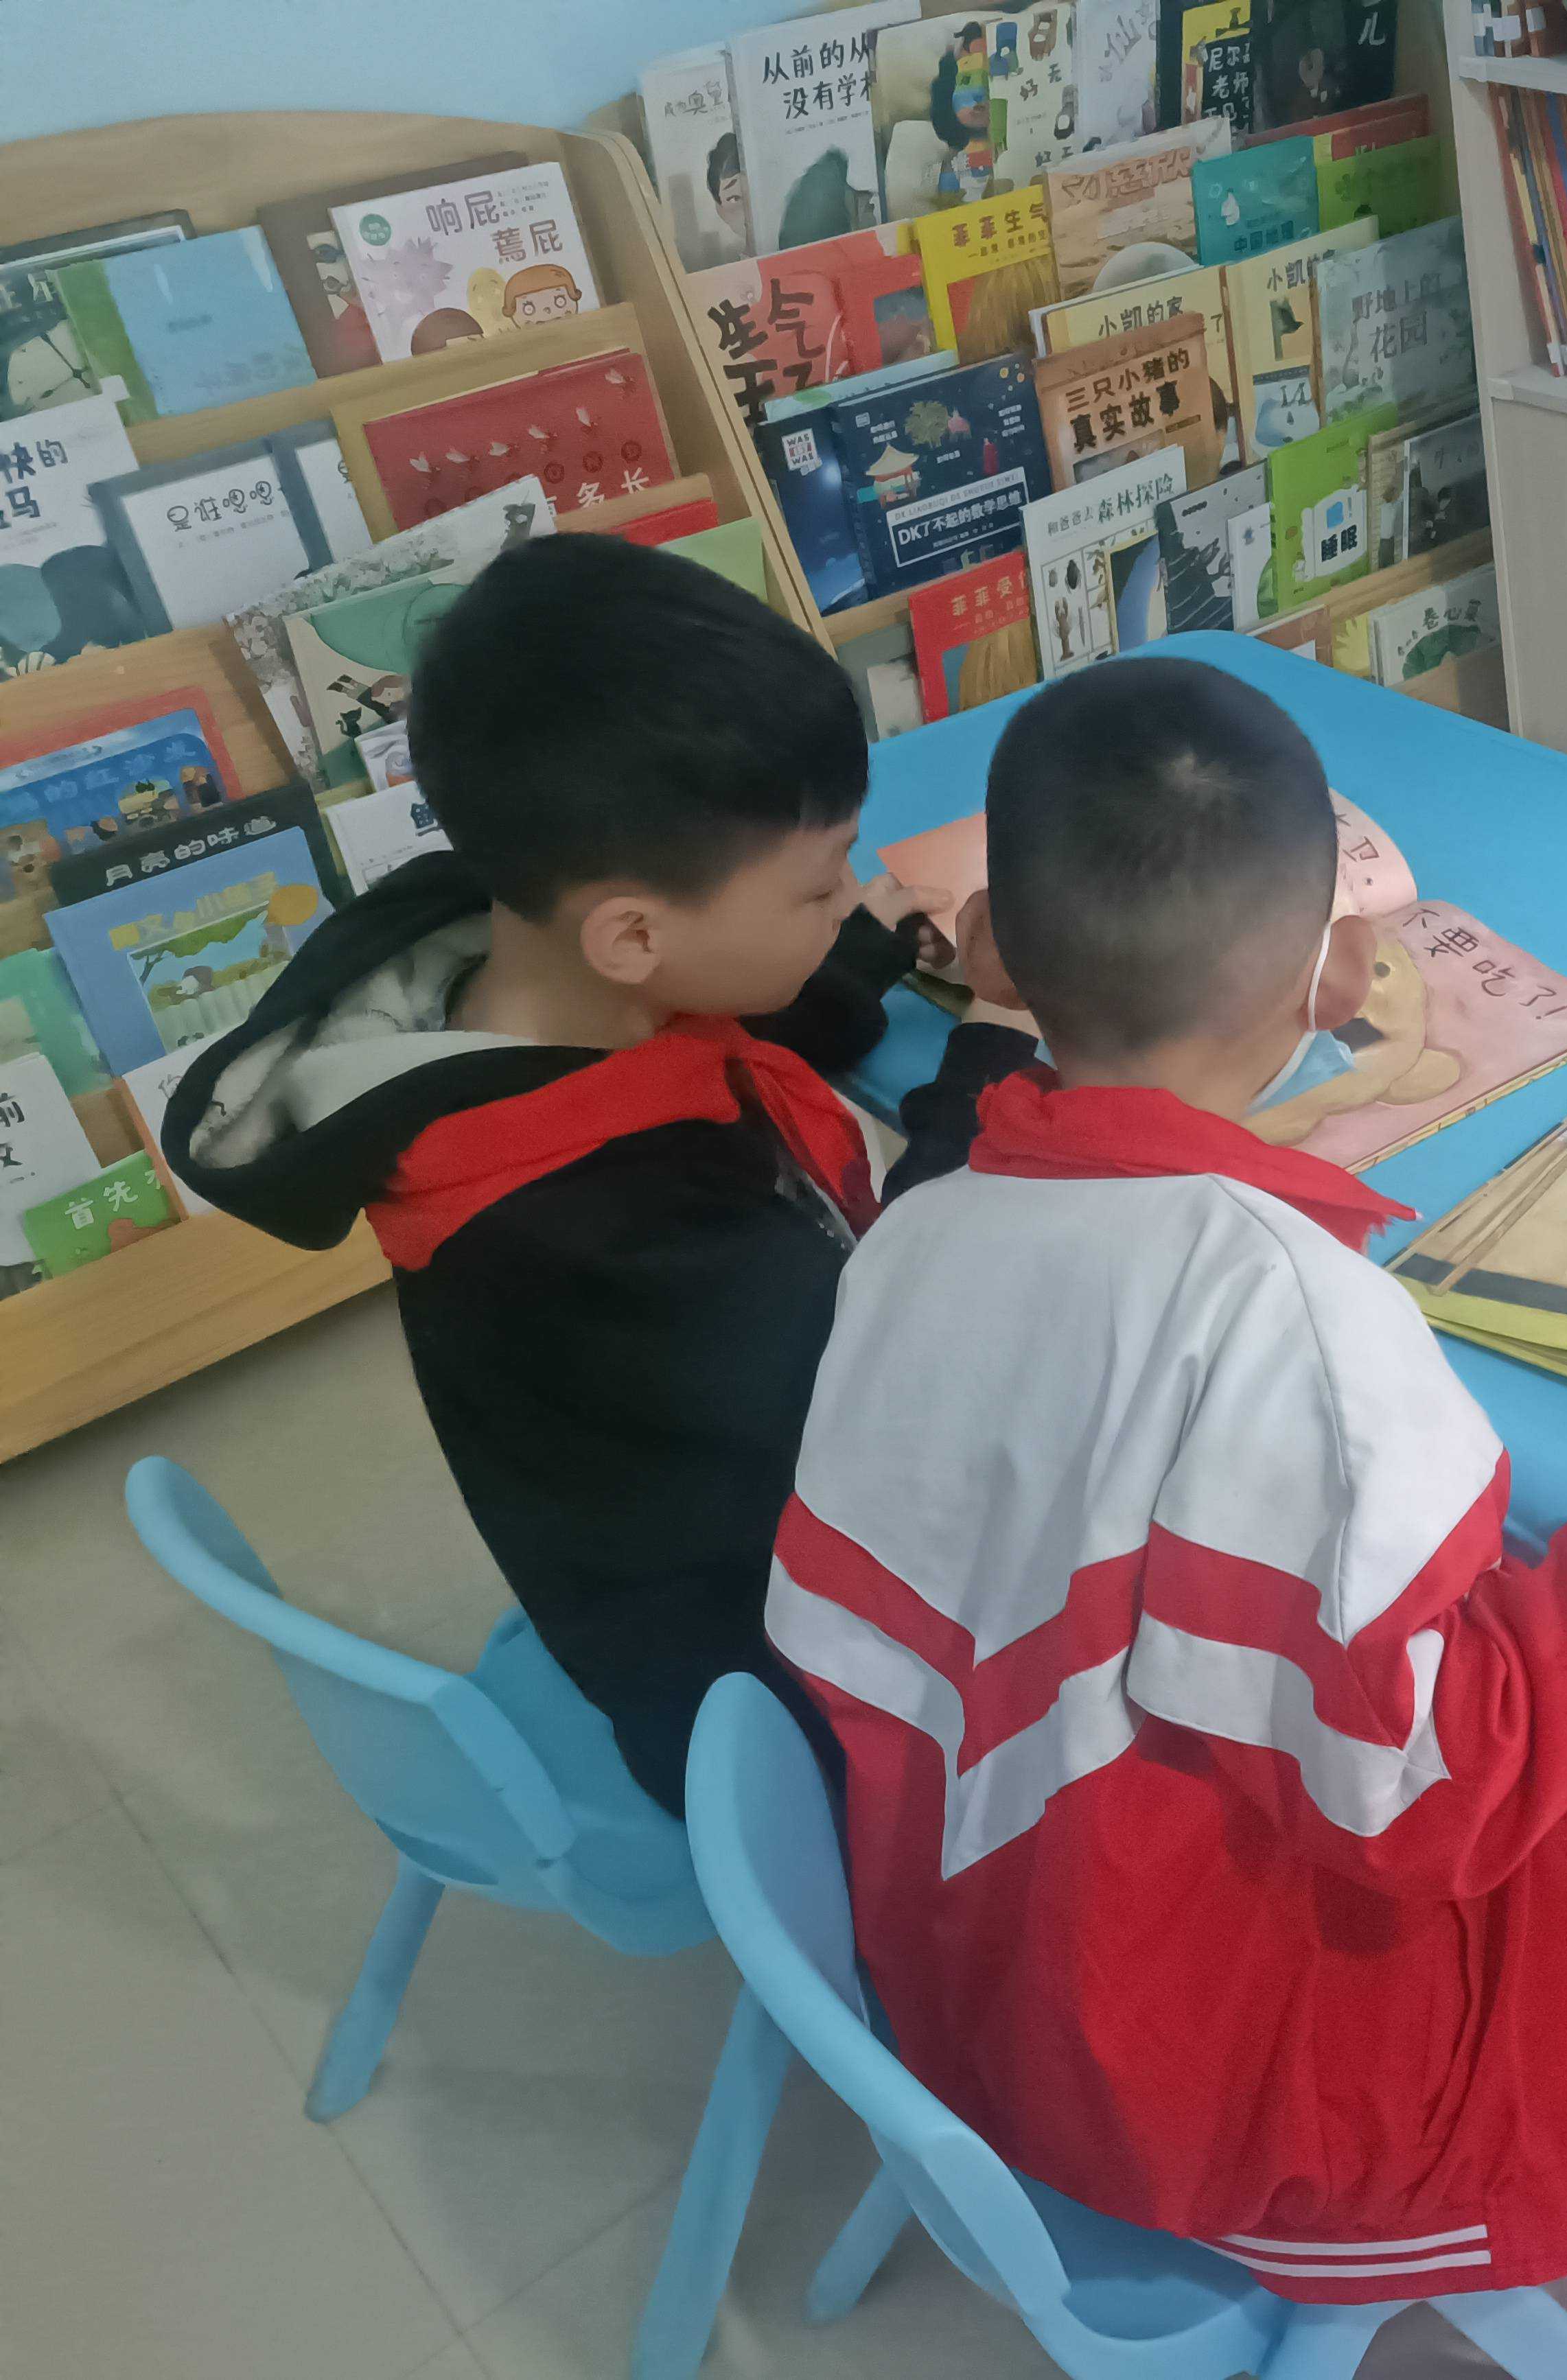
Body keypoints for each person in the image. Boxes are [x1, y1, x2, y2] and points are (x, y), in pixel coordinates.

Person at [767, 655, 1567, 2380]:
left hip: (991, 1994)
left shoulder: (911, 1234)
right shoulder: (1292, 1320)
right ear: (1333, 971)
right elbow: (1440, 1800)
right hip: (1250, 2117)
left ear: (992, 947)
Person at [165, 537, 1037, 1811]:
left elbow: (708, 1008)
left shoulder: (511, 951)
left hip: (705, 1518)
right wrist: (998, 1056)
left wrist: (860, 952)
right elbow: (898, 1355)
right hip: (767, 1700)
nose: (846, 894)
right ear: (631, 934)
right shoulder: (594, 1235)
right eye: (818, 886)